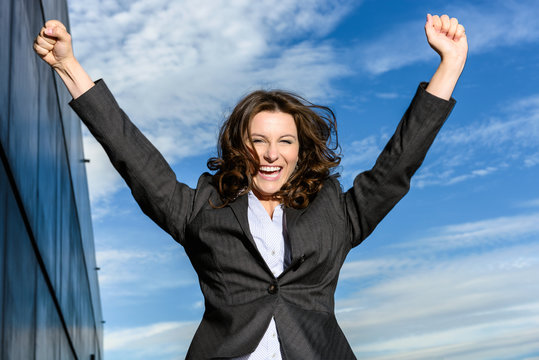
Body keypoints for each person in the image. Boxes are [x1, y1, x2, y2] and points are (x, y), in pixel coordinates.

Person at [34, 13, 467, 360]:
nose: (270, 154)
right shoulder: (200, 208)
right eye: (257, 140)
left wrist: (449, 67)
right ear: (239, 146)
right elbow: (133, 155)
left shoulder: (335, 210)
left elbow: (396, 168)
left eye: (284, 141)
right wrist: (70, 66)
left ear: (301, 151)